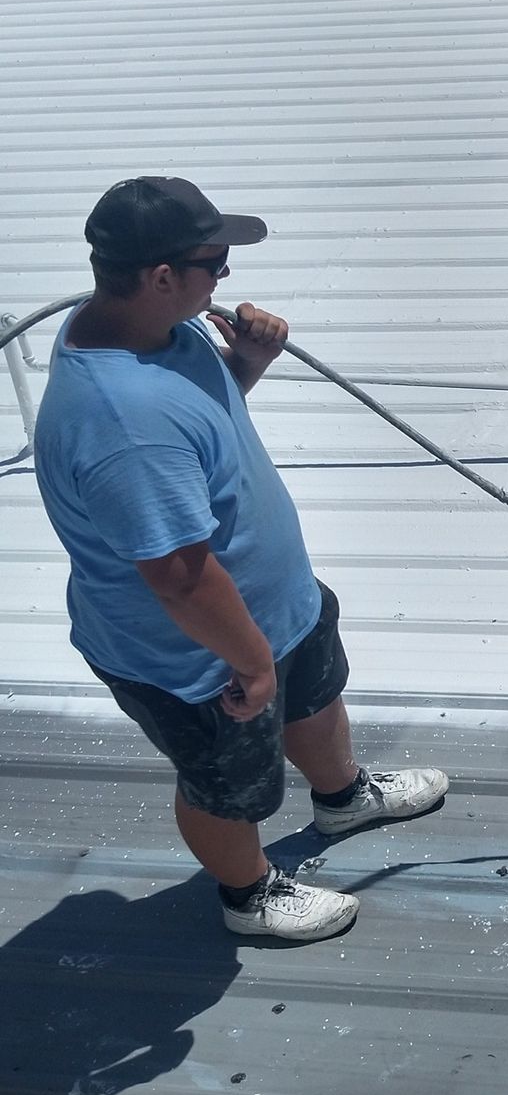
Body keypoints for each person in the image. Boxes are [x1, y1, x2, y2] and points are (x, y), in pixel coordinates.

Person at [32, 176, 449, 942]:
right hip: (203, 657)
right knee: (225, 784)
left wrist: (246, 365)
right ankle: (248, 894)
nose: (226, 277)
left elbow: (198, 439)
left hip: (275, 605)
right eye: (215, 261)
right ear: (162, 276)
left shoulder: (160, 332)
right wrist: (253, 663)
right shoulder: (121, 418)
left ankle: (343, 795)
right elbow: (179, 576)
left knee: (314, 697)